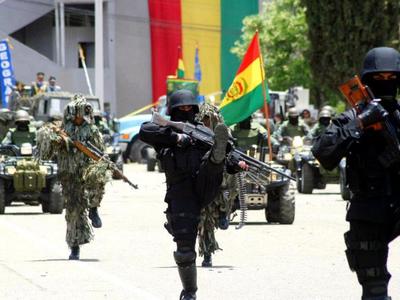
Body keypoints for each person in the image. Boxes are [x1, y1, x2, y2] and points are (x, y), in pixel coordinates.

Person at [312, 47, 400, 300]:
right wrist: (359, 121)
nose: (386, 83)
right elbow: (323, 153)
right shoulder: (351, 116)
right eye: (378, 78)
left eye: (391, 78)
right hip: (369, 207)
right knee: (374, 285)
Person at [139, 90, 230, 300]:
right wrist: (177, 137)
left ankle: (216, 157)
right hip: (181, 193)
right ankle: (190, 291)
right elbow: (145, 131)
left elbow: (232, 159)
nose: (186, 110)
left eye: (190, 107)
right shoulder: (163, 132)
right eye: (182, 108)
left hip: (205, 183)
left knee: (215, 161)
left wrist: (236, 164)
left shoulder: (202, 131)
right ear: (174, 110)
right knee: (184, 248)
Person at [37, 94, 109, 260]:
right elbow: (46, 153)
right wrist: (55, 140)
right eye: (76, 114)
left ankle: (94, 208)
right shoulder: (62, 130)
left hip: (88, 170)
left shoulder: (92, 130)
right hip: (69, 177)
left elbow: (101, 153)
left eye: (81, 114)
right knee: (74, 212)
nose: (79, 117)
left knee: (99, 176)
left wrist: (103, 163)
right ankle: (75, 246)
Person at [195, 103, 245, 268]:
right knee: (205, 219)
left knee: (228, 186)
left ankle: (224, 212)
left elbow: (232, 151)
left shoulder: (224, 131)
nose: (207, 121)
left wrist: (239, 162)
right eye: (204, 119)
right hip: (203, 178)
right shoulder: (194, 129)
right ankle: (207, 253)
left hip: (221, 179)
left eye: (210, 118)